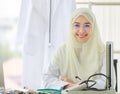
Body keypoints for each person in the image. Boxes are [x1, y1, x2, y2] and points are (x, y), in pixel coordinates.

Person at [42, 8, 106, 90]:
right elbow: (47, 78)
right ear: (71, 27)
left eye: (87, 25)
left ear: (93, 28)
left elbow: (105, 82)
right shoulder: (62, 51)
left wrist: (76, 85)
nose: (81, 31)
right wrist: (67, 85)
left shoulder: (102, 51)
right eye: (76, 25)